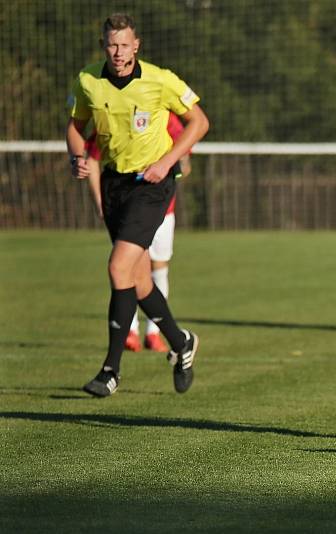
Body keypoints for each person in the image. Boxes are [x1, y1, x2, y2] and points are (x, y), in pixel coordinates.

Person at [66, 13, 209, 397]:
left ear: (136, 45)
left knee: (118, 266)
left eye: (125, 44)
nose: (118, 52)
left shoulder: (161, 80)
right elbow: (76, 126)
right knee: (140, 278)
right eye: (112, 44)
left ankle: (111, 369)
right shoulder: (88, 81)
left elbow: (199, 122)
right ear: (104, 46)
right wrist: (76, 156)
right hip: (115, 183)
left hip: (153, 184)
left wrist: (167, 161)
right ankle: (182, 344)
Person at [85, 112, 192, 353]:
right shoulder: (115, 110)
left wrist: (165, 166)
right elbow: (91, 152)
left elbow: (184, 157)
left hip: (161, 208)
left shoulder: (167, 116)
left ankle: (154, 334)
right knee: (127, 268)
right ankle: (130, 332)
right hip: (126, 204)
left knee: (156, 267)